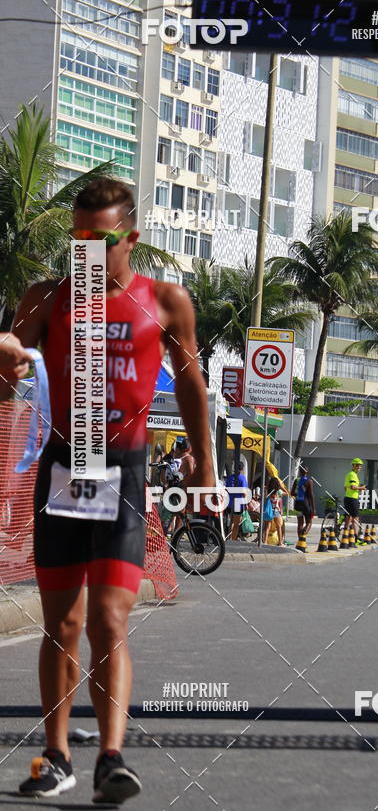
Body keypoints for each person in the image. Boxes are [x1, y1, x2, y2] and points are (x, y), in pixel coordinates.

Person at [0, 178, 215, 803]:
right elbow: (9, 374)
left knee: (109, 617)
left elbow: (193, 383)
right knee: (62, 623)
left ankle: (112, 758)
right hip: (63, 469)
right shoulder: (46, 299)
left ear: (132, 237)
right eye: (78, 238)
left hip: (123, 471)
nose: (87, 251)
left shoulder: (166, 300)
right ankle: (57, 754)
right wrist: (6, 361)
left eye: (101, 239)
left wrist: (203, 464)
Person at [344, 458, 366, 541]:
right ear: (353, 466)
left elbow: (345, 487)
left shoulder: (350, 474)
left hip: (348, 497)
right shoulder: (352, 474)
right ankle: (356, 538)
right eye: (357, 465)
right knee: (355, 518)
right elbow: (353, 487)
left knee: (348, 517)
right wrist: (361, 488)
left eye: (360, 465)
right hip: (352, 498)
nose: (359, 467)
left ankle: (345, 535)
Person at [291, 464, 315, 539]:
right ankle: (303, 535)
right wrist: (313, 508)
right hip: (306, 504)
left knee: (300, 523)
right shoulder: (309, 481)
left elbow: (292, 493)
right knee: (309, 522)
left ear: (300, 472)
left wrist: (298, 494)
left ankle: (299, 540)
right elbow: (311, 495)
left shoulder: (296, 480)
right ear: (307, 472)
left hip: (297, 504)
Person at [227, 462, 249, 541]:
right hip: (238, 503)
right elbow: (244, 492)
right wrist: (246, 503)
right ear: (242, 469)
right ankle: (233, 539)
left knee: (231, 523)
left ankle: (228, 538)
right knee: (236, 524)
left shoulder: (229, 478)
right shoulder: (242, 478)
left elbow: (227, 489)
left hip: (229, 503)